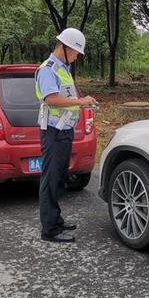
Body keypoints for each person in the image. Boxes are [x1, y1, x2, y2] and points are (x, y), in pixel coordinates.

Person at [35, 28, 98, 243]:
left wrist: (82, 104)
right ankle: (50, 230)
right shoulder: (48, 69)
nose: (77, 56)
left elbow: (66, 96)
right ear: (66, 47)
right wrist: (81, 102)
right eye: (76, 51)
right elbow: (51, 98)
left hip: (64, 130)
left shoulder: (64, 68)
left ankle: (57, 220)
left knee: (59, 177)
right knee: (51, 179)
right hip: (53, 132)